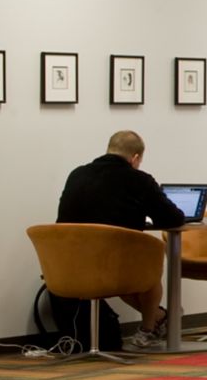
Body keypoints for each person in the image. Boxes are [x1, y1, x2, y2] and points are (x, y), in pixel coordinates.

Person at [53, 130, 186, 347]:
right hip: (114, 267)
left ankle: (159, 319)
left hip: (69, 266)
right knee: (147, 266)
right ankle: (149, 327)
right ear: (135, 158)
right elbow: (172, 217)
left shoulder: (77, 174)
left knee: (128, 270)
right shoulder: (138, 180)